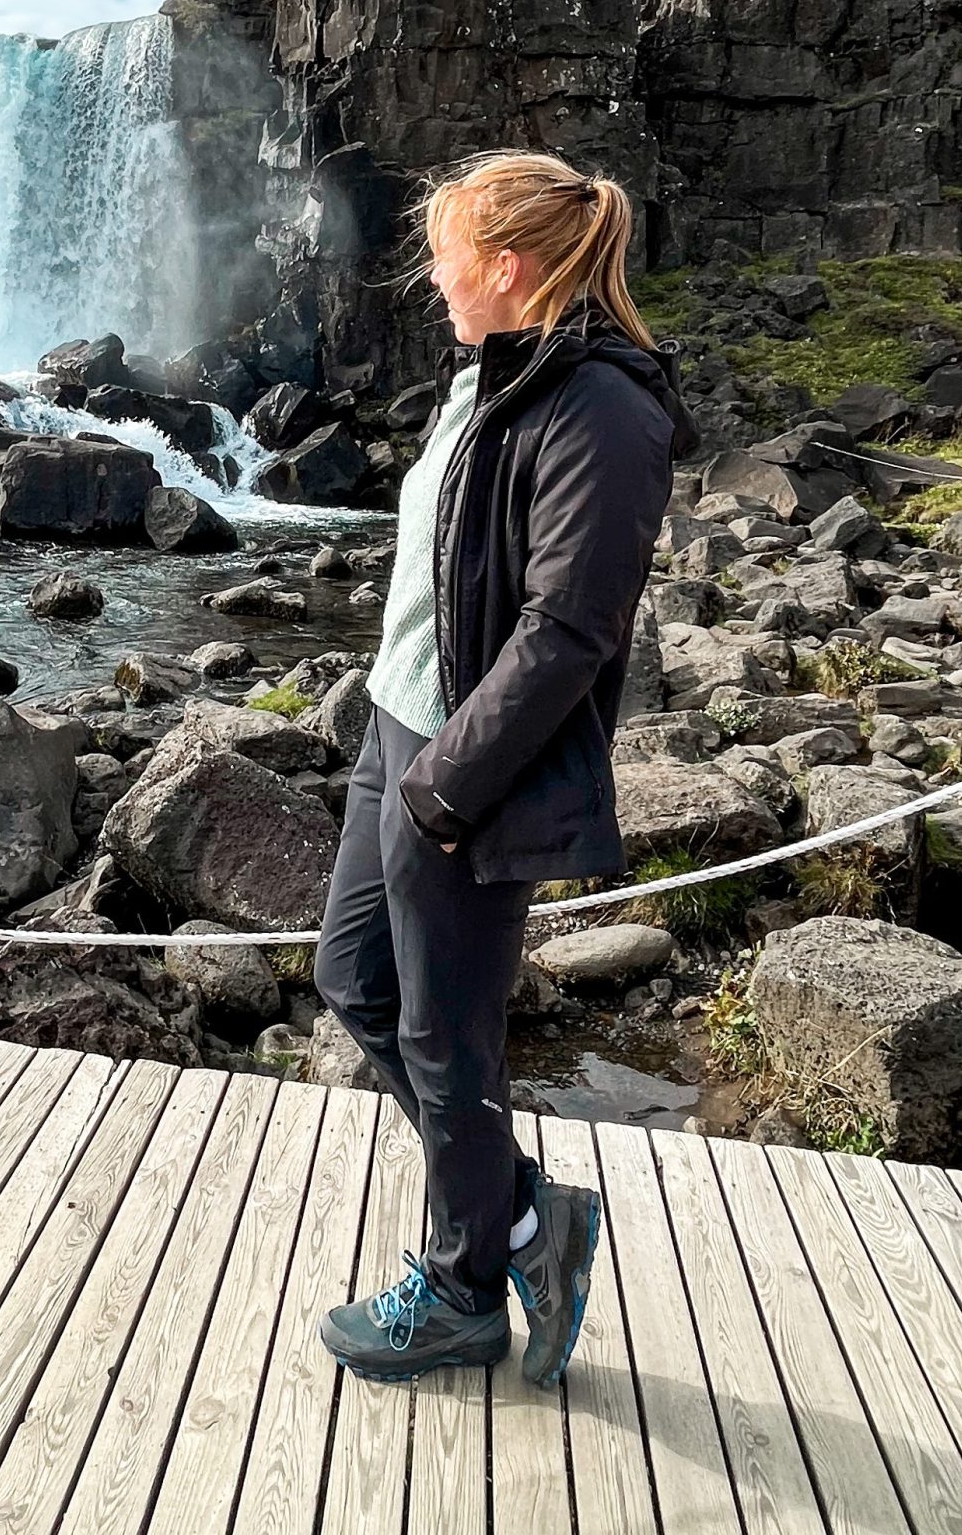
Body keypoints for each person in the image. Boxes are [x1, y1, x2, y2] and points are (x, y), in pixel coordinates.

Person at [313, 148, 696, 1385]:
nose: (431, 276)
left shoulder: (603, 409)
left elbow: (568, 632)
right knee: (355, 978)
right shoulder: (488, 374)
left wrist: (445, 784)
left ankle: (471, 1282)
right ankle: (530, 1212)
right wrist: (395, 741)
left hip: (463, 761)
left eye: (444, 256)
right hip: (397, 726)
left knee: (445, 1034)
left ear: (507, 268)